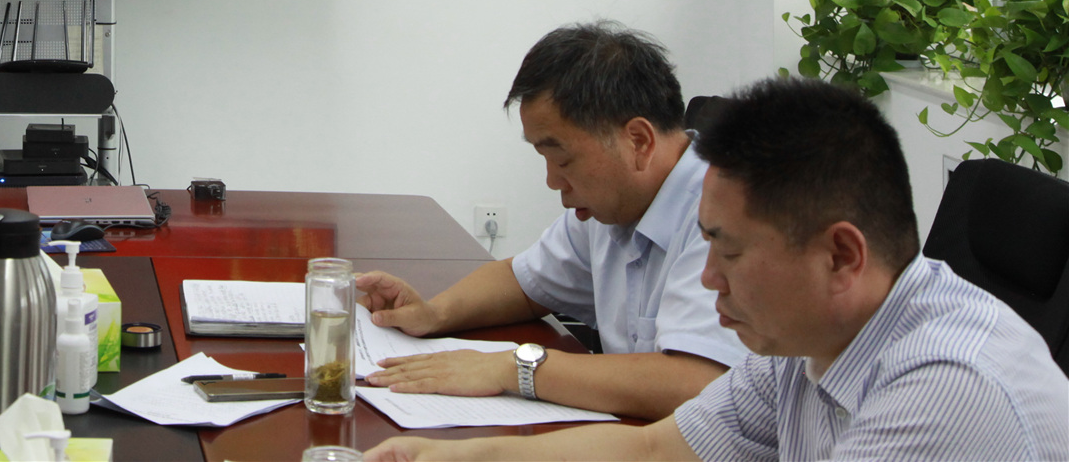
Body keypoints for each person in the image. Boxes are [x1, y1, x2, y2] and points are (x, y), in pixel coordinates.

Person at [364, 77, 1069, 461]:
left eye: (729, 252)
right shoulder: (801, 346)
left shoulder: (947, 390)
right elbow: (650, 448)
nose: (707, 279)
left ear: (842, 256)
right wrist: (453, 458)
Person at [357, 23, 745, 420]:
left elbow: (698, 383)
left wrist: (515, 368)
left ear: (638, 141)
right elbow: (526, 283)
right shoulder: (611, 207)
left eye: (562, 159)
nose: (552, 181)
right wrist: (434, 314)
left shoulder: (729, 213)